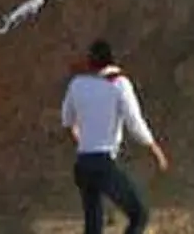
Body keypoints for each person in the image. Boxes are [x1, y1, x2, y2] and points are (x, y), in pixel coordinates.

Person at [60, 39, 171, 234]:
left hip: (83, 163)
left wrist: (83, 140)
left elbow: (68, 120)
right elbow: (134, 123)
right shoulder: (119, 84)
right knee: (139, 215)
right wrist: (154, 148)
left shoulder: (77, 84)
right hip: (104, 163)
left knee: (93, 226)